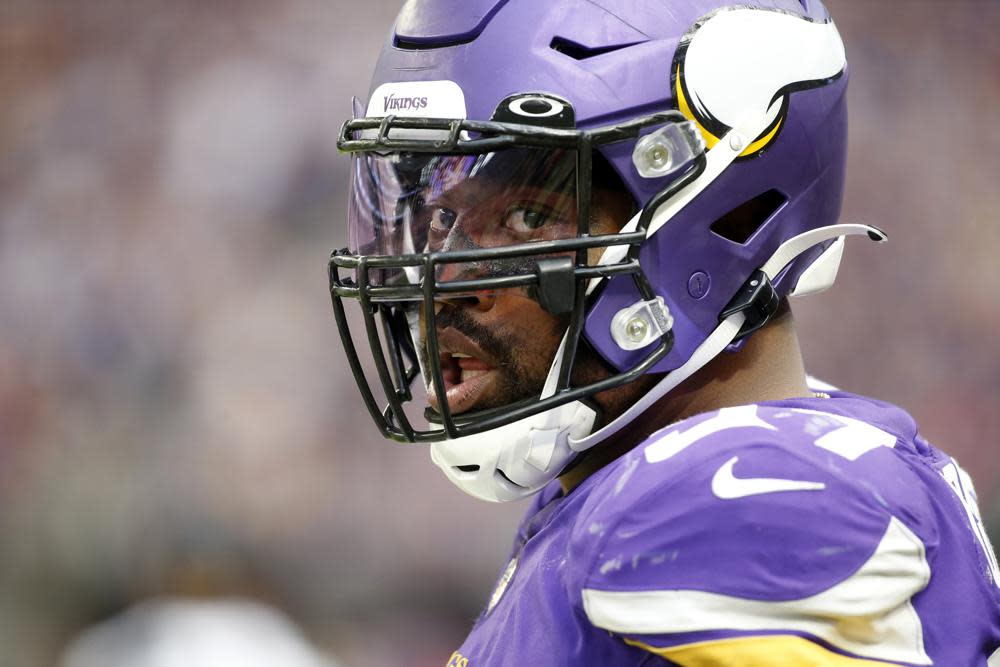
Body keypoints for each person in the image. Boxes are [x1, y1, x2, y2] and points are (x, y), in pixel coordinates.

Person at [328, 0, 1000, 664]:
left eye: (529, 216)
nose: (447, 279)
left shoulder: (745, 493)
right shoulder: (618, 487)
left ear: (718, 220)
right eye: (441, 219)